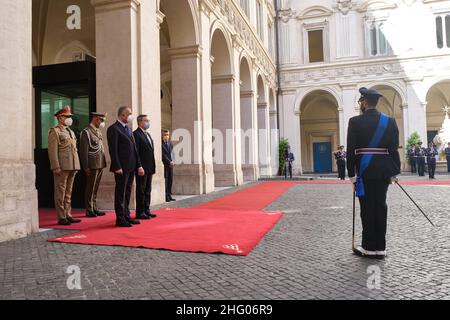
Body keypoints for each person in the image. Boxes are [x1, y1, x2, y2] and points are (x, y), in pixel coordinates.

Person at [347, 87, 400, 259]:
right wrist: (393, 172)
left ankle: (369, 248)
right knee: (381, 207)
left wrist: (351, 175)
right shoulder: (390, 121)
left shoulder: (354, 122)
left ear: (364, 102)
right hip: (384, 172)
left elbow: (350, 151)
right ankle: (381, 248)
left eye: (360, 102)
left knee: (367, 209)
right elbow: (393, 149)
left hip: (364, 172)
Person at [107, 106, 145, 227]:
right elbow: (113, 150)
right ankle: (120, 218)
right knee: (120, 193)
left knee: (128, 192)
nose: (131, 116)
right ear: (122, 115)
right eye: (129, 113)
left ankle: (127, 216)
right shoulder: (113, 129)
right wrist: (117, 166)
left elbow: (134, 149)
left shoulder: (128, 129)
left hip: (131, 166)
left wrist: (139, 165)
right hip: (121, 168)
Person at [48, 106, 82, 226]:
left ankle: (68, 214)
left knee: (68, 191)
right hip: (62, 166)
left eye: (70, 117)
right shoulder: (55, 131)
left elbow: (74, 149)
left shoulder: (70, 131)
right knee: (60, 192)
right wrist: (55, 166)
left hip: (72, 165)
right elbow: (52, 151)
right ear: (60, 117)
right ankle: (61, 216)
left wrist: (76, 165)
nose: (69, 119)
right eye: (67, 116)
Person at [79, 112, 108, 218]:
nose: (102, 123)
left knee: (96, 187)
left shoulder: (97, 131)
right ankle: (89, 209)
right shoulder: (86, 132)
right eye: (101, 120)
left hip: (99, 162)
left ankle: (95, 207)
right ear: (95, 119)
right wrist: (85, 166)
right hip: (92, 164)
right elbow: (83, 151)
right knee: (90, 187)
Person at [133, 115, 157, 220]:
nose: (148, 122)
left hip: (150, 167)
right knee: (141, 190)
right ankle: (140, 211)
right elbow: (136, 152)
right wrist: (139, 166)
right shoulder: (136, 134)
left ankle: (147, 210)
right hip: (142, 168)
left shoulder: (148, 134)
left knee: (148, 190)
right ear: (139, 122)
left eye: (148, 120)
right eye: (146, 120)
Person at [162, 129, 176, 202]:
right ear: (162, 135)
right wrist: (169, 162)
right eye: (165, 135)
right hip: (165, 165)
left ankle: (169, 195)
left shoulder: (170, 143)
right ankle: (165, 196)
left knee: (170, 180)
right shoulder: (161, 144)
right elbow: (163, 155)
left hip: (171, 165)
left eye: (167, 135)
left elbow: (173, 153)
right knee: (166, 180)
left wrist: (173, 161)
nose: (166, 136)